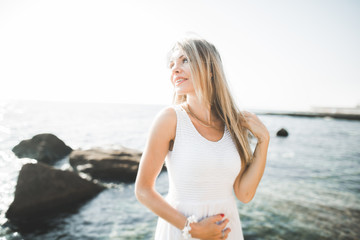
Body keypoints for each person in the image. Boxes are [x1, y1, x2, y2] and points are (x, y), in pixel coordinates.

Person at [135, 37, 270, 240]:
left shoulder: (233, 125)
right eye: (172, 65)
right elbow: (143, 190)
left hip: (227, 231)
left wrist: (263, 142)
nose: (175, 69)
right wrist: (192, 228)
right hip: (182, 231)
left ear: (210, 69)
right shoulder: (170, 119)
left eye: (185, 60)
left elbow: (244, 194)